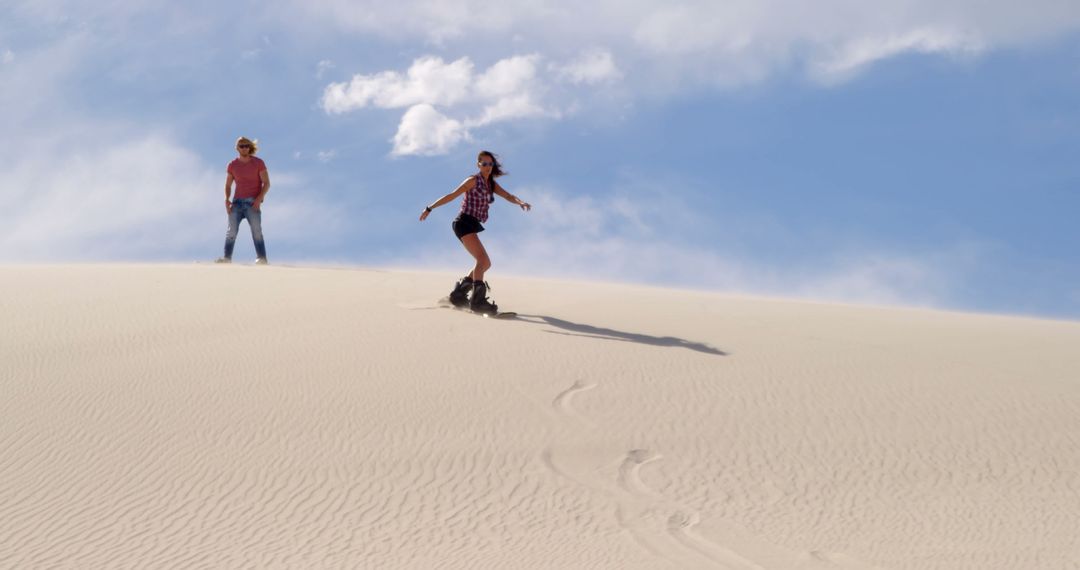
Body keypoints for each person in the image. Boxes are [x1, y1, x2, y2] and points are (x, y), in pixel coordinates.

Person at [419, 150, 531, 314]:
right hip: (463, 222)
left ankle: (459, 294)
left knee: (485, 264)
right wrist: (430, 208)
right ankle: (477, 302)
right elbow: (452, 195)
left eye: (490, 164)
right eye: (484, 164)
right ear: (478, 165)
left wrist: (521, 202)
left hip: (471, 224)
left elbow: (508, 195)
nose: (487, 167)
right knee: (482, 260)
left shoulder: (490, 184)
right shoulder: (472, 180)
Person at [216, 136, 270, 264]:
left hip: (252, 203)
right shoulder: (232, 165)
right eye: (242, 146)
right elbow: (228, 185)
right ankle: (227, 259)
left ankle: (262, 259)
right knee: (231, 231)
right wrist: (226, 200)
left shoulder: (258, 163)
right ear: (237, 148)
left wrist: (258, 199)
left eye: (247, 145)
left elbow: (266, 183)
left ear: (250, 147)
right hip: (237, 203)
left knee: (257, 231)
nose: (245, 148)